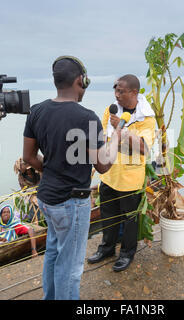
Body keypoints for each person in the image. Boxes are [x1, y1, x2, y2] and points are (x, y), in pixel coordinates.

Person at [22, 55, 121, 300]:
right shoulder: (86, 117)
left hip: (47, 198)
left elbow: (29, 157)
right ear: (81, 80)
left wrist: (54, 168)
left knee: (54, 252)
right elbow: (103, 166)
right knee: (72, 268)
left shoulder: (37, 111)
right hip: (72, 203)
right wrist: (117, 136)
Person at [87, 74, 156, 272]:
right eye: (115, 90)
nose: (117, 95)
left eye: (121, 91)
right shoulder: (111, 111)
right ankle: (106, 249)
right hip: (108, 174)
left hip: (130, 178)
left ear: (134, 92)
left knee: (129, 219)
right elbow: (101, 136)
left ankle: (127, 253)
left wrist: (122, 130)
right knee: (108, 216)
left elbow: (144, 148)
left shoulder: (146, 118)